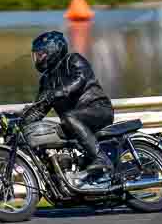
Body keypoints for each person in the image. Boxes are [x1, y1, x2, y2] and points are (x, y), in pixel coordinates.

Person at [22, 31, 114, 187]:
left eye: (41, 54)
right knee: (53, 131)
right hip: (73, 120)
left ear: (53, 51)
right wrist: (21, 120)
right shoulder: (46, 79)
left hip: (98, 109)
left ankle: (101, 158)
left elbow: (78, 80)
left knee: (68, 117)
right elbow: (40, 108)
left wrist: (55, 93)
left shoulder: (73, 60)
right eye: (36, 55)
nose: (38, 58)